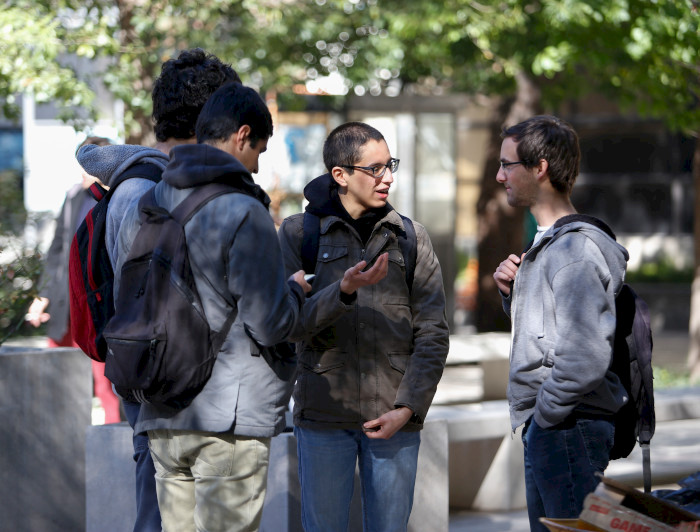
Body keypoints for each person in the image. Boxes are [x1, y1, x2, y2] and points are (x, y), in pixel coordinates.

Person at [113, 81, 310, 532]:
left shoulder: (147, 203)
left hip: (161, 412)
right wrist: (296, 290)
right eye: (259, 150)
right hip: (228, 419)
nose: (258, 164)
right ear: (242, 135)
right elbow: (270, 323)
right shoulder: (243, 210)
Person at [77, 48, 240, 532]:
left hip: (149, 380)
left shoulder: (131, 185)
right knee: (168, 514)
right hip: (179, 388)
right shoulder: (158, 192)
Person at [277, 121, 450, 532]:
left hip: (393, 419)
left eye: (390, 165)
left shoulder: (410, 237)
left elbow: (433, 332)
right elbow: (287, 326)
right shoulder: (299, 234)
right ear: (341, 174)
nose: (387, 177)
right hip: (323, 417)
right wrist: (344, 291)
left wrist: (407, 409)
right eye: (375, 168)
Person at [492, 115, 629, 531]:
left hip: (568, 426)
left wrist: (544, 417)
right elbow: (549, 330)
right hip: (560, 425)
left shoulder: (574, 248)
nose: (500, 176)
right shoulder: (549, 240)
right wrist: (509, 293)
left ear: (540, 168)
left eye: (507, 164)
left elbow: (585, 353)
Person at [26, 136, 122, 424]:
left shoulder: (120, 199)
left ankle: (113, 446)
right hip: (68, 302)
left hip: (102, 306)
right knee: (58, 380)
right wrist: (42, 297)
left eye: (89, 165)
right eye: (81, 164)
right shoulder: (72, 198)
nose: (83, 172)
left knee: (106, 385)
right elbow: (56, 251)